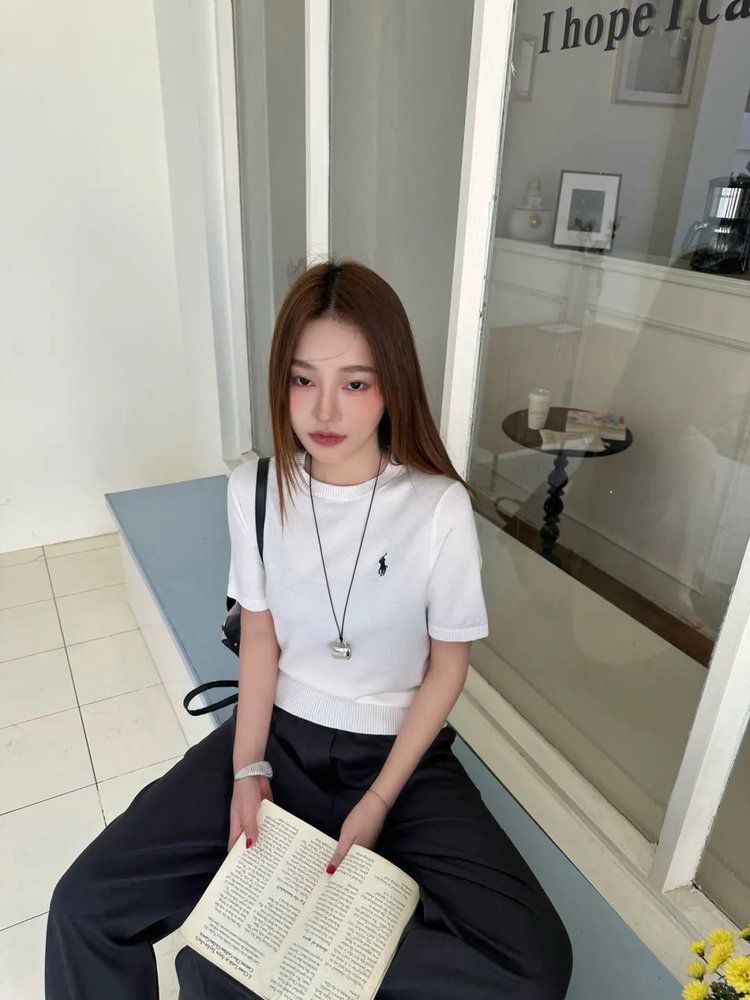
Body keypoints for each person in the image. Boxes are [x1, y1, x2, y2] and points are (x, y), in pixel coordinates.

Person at [45, 260, 573, 999]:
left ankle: (268, 957)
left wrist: (379, 800)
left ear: (392, 386)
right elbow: (259, 638)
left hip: (397, 755)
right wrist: (247, 767)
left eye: (355, 383)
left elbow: (447, 667)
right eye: (303, 380)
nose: (325, 409)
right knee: (84, 907)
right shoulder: (255, 490)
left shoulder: (437, 507)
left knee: (532, 963)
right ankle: (245, 954)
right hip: (280, 737)